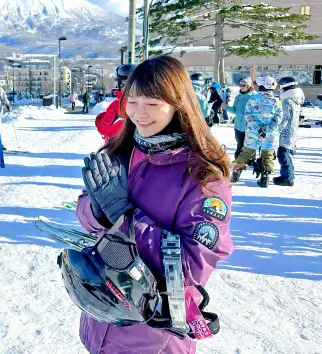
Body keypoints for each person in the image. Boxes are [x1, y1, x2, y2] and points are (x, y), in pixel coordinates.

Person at [75, 55, 233, 353]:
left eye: (152, 103)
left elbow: (192, 265)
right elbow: (84, 212)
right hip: (104, 317)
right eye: (132, 102)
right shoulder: (120, 151)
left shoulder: (202, 175)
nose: (139, 114)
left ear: (178, 102)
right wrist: (97, 210)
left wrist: (123, 215)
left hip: (153, 335)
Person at [232, 76, 281, 188]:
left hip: (252, 132)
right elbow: (278, 119)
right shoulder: (277, 101)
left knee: (246, 152)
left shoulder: (253, 99)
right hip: (269, 135)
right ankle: (265, 177)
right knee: (268, 155)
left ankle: (236, 173)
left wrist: (257, 129)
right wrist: (265, 130)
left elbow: (247, 115)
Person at [274, 76, 305, 187]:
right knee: (285, 153)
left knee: (282, 154)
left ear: (285, 86)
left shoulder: (287, 101)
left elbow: (285, 118)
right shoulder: (296, 99)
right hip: (292, 130)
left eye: (280, 86)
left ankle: (287, 178)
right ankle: (289, 175)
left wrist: (277, 129)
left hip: (286, 132)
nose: (279, 89)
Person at [95, 64, 134, 143]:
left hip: (115, 148)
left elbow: (103, 128)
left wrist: (100, 118)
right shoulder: (144, 103)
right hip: (137, 150)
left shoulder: (117, 105)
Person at [225, 77, 256, 161]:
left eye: (244, 85)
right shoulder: (238, 97)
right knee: (240, 144)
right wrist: (227, 107)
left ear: (249, 86)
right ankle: (238, 160)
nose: (241, 87)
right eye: (240, 85)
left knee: (248, 146)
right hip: (238, 126)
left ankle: (250, 161)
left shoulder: (254, 97)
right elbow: (235, 110)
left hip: (249, 126)